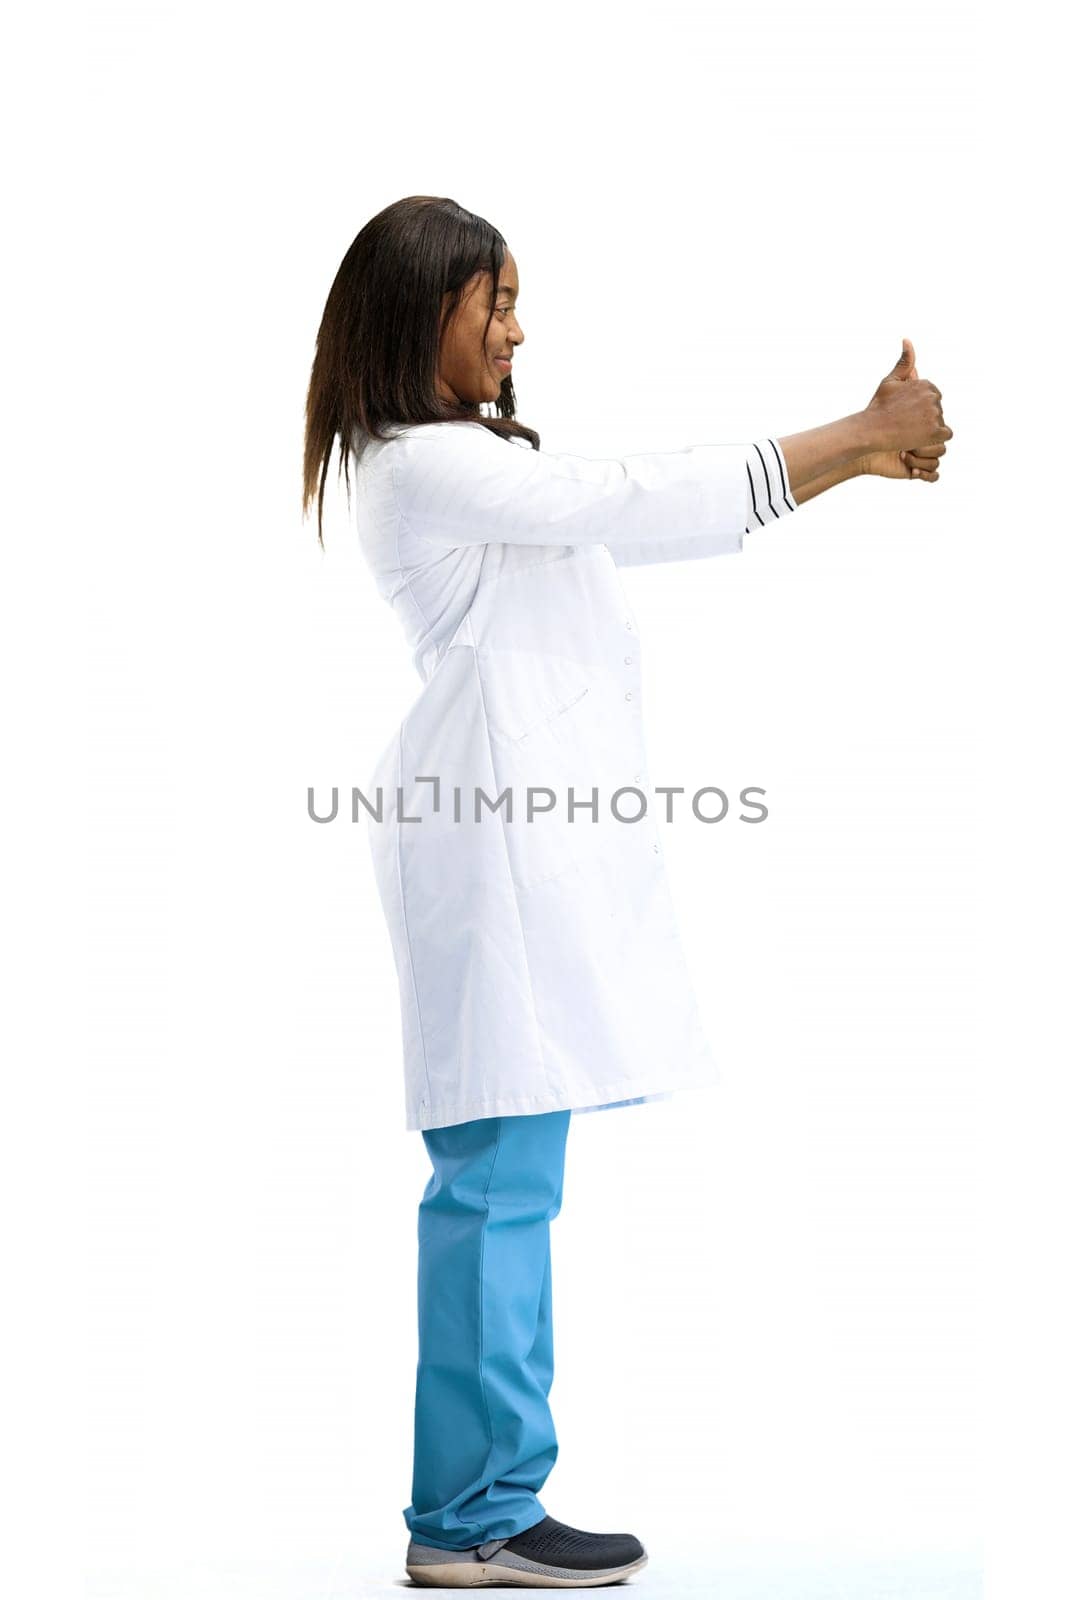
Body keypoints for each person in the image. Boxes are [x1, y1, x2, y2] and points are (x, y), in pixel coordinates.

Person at [302, 195, 952, 1588]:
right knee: (493, 1193)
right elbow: (628, 499)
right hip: (489, 862)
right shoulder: (415, 466)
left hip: (521, 859)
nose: (519, 329)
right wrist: (854, 437)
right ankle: (469, 1520)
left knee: (510, 1187)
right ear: (423, 313)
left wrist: (859, 454)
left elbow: (624, 518)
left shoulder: (458, 463)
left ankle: (486, 1505)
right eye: (497, 304)